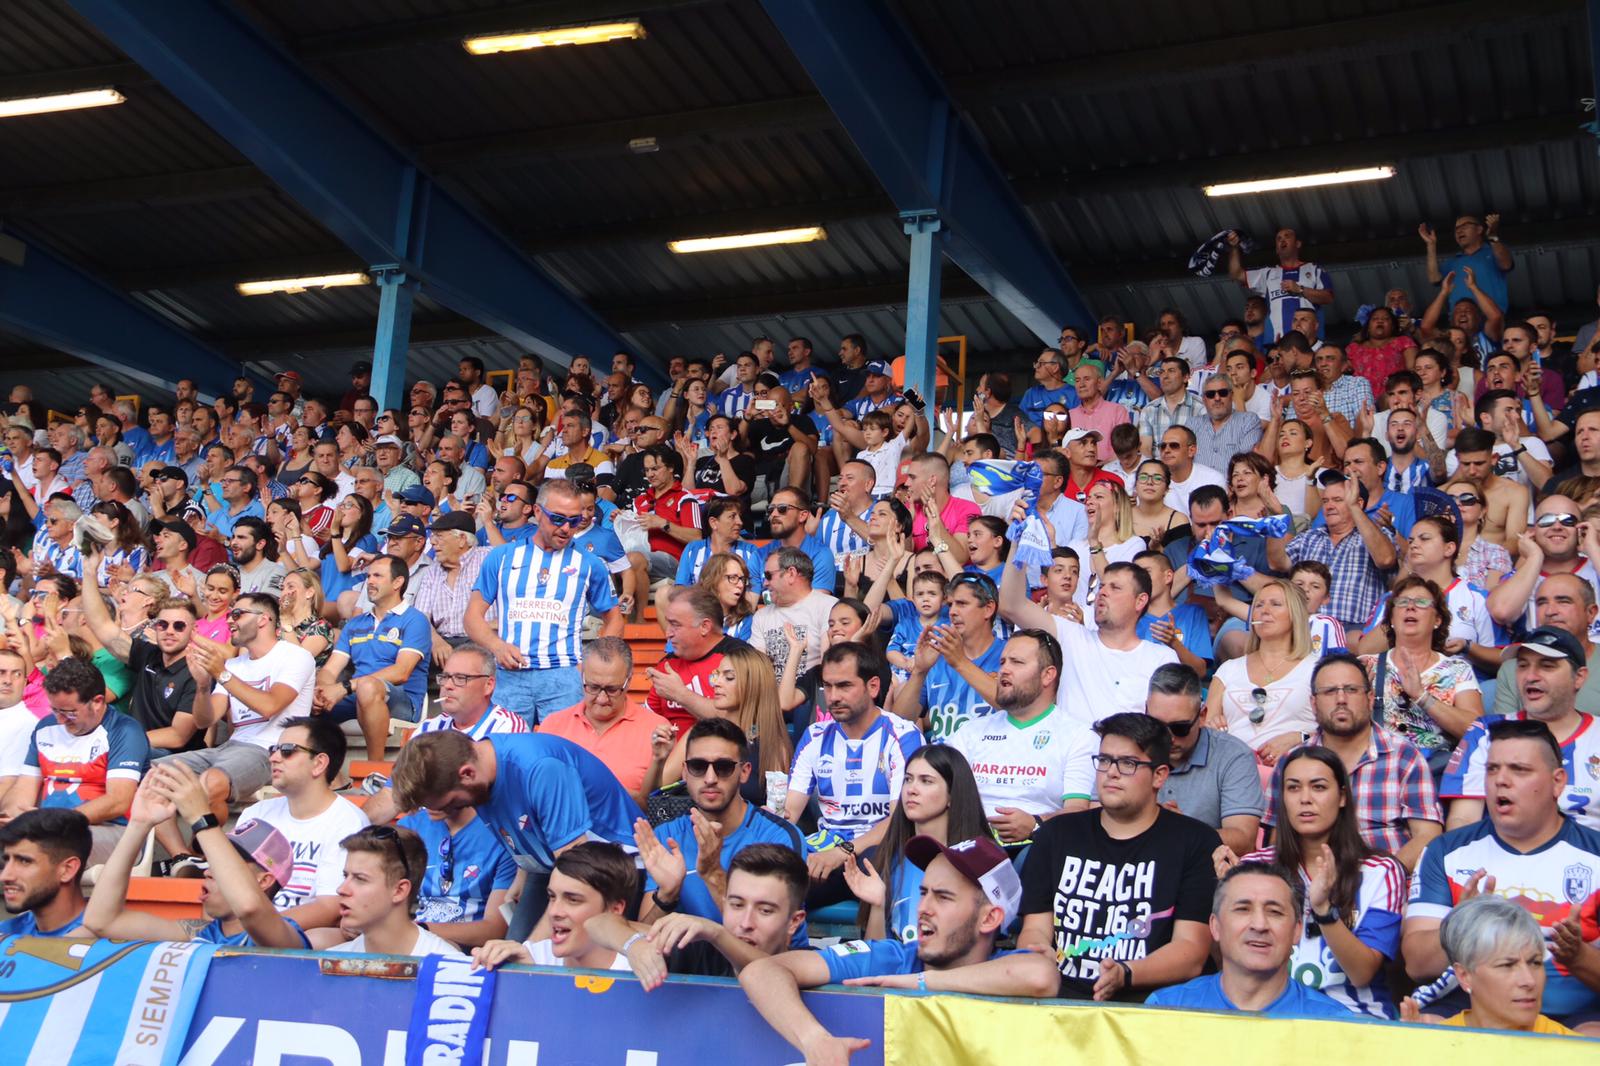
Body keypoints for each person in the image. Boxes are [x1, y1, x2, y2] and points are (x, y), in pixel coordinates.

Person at [740, 835, 1057, 1064]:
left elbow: (1042, 975)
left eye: (943, 897)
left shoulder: (1006, 967)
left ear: (989, 918)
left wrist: (922, 982)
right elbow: (761, 971)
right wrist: (814, 1041)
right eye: (923, 892)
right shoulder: (891, 957)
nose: (923, 908)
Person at [1403, 718, 1600, 1030]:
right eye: (1492, 769)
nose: (1501, 781)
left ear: (1558, 782)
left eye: (1518, 770)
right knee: (1428, 1030)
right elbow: (1417, 965)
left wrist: (1578, 956)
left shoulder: (1595, 855)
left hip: (1577, 1015)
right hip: (1470, 1008)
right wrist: (1458, 924)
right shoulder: (1446, 852)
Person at [1018, 713, 1219, 1001]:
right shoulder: (1056, 835)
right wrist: (1038, 950)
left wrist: (1126, 973)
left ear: (1160, 775)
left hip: (1149, 1007)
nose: (1111, 772)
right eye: (1104, 760)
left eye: (1128, 763)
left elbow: (1191, 952)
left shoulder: (1195, 841)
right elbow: (1035, 928)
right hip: (1059, 1001)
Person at [390, 729, 641, 941]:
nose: (443, 812)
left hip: (612, 867)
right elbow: (522, 823)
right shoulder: (479, 776)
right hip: (549, 865)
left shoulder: (539, 767)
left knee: (536, 956)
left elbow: (576, 874)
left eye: (449, 803)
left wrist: (532, 947)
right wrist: (521, 874)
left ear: (466, 774)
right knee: (516, 952)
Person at [1226, 746, 1408, 1017]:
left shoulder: (1380, 870)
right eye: (1293, 788)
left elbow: (1362, 973)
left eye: (1319, 787)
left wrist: (1324, 912)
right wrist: (1224, 898)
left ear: (1343, 797)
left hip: (1355, 1020)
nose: (1305, 799)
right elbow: (1228, 967)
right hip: (1269, 1018)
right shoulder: (1254, 867)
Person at [149, 592, 316, 865]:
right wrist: (203, 686)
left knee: (210, 782)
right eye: (230, 616)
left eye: (237, 614)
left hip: (271, 750)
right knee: (152, 777)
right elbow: (205, 720)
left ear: (264, 619)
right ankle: (183, 857)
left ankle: (208, 855)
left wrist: (222, 675)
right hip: (229, 748)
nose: (231, 621)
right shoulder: (234, 664)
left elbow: (270, 706)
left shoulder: (296, 656)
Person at [84, 766, 309, 948]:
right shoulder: (198, 933)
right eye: (213, 863)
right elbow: (101, 921)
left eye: (227, 863)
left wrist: (200, 817)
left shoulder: (284, 935)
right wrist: (138, 825)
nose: (209, 871)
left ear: (263, 881)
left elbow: (250, 908)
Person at [465, 478, 623, 726]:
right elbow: (472, 617)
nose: (566, 528)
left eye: (574, 521)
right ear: (537, 512)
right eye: (558, 519)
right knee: (505, 753)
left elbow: (614, 619)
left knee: (562, 755)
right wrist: (496, 646)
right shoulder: (502, 556)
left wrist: (587, 667)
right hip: (509, 675)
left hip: (564, 675)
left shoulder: (590, 563)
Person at [785, 643, 922, 905]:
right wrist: (775, 818)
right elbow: (790, 810)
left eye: (844, 686)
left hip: (878, 848)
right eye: (828, 686)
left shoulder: (902, 735)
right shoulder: (815, 735)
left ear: (872, 687)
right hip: (826, 848)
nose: (833, 696)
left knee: (877, 856)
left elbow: (899, 822)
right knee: (770, 871)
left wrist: (843, 852)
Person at [637, 718, 807, 928]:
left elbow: (774, 947)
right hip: (685, 959)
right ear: (684, 772)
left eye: (723, 767)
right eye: (698, 766)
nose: (710, 778)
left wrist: (713, 873)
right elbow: (644, 940)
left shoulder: (778, 837)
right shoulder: (667, 835)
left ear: (744, 772)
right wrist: (666, 897)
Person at [944, 628, 1097, 847]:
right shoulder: (970, 732)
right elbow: (940, 791)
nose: (1004, 670)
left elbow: (1077, 811)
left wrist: (1036, 824)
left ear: (1048, 675)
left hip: (1035, 848)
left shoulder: (1078, 736)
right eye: (1003, 662)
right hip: (967, 846)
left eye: (1016, 662)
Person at [1145, 862, 1352, 1019]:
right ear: (1215, 926)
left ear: (1297, 930)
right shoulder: (1166, 1010)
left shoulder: (1333, 1023)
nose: (1259, 925)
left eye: (1274, 912)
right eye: (1243, 909)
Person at [1444, 626, 1600, 832]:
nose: (1530, 676)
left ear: (1579, 677)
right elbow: (1462, 822)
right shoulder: (1485, 733)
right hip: (1504, 857)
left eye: (1547, 666)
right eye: (1523, 665)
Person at [586, 843, 810, 985]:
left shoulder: (815, 966)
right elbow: (597, 923)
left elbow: (774, 970)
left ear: (794, 921)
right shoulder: (700, 950)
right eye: (736, 905)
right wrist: (634, 945)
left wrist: (718, 933)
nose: (745, 923)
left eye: (765, 910)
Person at [0, 655, 149, 864]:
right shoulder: (45, 727)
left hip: (112, 831)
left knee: (42, 849)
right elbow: (23, 789)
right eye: (55, 710)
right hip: (48, 829)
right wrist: (16, 816)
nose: (59, 720)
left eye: (69, 712)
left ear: (97, 702)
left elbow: (118, 801)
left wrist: (54, 822)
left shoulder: (125, 731)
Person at [999, 553, 1176, 727]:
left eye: (1115, 588)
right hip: (1068, 754)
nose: (1103, 593)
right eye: (1102, 586)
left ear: (1140, 601)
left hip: (1126, 754)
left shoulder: (1161, 658)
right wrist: (1017, 544)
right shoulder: (1070, 636)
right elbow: (1011, 605)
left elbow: (1166, 725)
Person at [841, 744, 989, 943]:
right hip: (896, 972)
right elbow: (878, 957)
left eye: (926, 781)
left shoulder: (983, 858)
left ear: (952, 795)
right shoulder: (887, 856)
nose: (912, 790)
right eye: (908, 779)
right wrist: (877, 906)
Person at [1404, 894, 1581, 1035]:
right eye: (1507, 965)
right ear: (1465, 976)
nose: (1529, 981)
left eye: (1535, 963)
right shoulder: (1435, 1044)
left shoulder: (1579, 1052)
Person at [1356, 575, 1485, 765]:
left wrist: (1422, 697)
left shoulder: (1458, 669)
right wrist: (1358, 702)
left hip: (1435, 770)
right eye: (1402, 602)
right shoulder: (1366, 665)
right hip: (1378, 768)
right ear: (1391, 619)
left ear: (1437, 620)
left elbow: (1476, 731)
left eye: (1422, 602)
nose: (1410, 607)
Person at [314, 554, 429, 761]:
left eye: (377, 576)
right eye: (368, 576)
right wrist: (322, 692)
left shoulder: (415, 620)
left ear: (398, 582)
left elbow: (401, 672)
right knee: (304, 699)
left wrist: (343, 688)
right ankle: (326, 777)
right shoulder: (355, 624)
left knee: (368, 687)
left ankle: (374, 768)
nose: (370, 581)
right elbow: (330, 670)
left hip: (400, 701)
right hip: (355, 696)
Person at [79, 556, 200, 753]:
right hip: (136, 744)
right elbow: (101, 625)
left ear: (193, 632)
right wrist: (89, 572)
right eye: (163, 624)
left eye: (179, 626)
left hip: (169, 756)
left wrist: (121, 739)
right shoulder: (148, 654)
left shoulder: (196, 671)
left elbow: (178, 736)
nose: (169, 631)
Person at [538, 637, 673, 806]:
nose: (602, 699)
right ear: (582, 676)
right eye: (593, 687)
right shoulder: (553, 725)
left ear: (628, 681)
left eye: (612, 689)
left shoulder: (655, 729)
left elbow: (658, 805)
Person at [472, 842, 644, 974]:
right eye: (552, 897)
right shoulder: (529, 959)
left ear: (615, 909)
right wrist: (525, 979)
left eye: (573, 900)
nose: (554, 911)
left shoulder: (638, 972)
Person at [1147, 664, 1263, 857]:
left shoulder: (1233, 755)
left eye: (1180, 728)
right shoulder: (1128, 748)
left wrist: (1181, 830)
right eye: (1157, 726)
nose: (1168, 738)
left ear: (1202, 716)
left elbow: (1243, 840)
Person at [1205, 578, 1317, 764]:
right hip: (1233, 773)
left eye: (1276, 604)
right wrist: (1212, 727)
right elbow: (1206, 729)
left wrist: (1299, 737)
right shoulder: (1229, 670)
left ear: (1295, 614)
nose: (1264, 611)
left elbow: (1337, 730)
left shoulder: (1316, 669)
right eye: (1258, 605)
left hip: (1294, 771)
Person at [894, 573, 1004, 742]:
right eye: (951, 604)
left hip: (988, 764)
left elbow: (1015, 706)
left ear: (988, 608)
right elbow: (900, 721)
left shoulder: (1009, 654)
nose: (952, 612)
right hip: (940, 763)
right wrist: (919, 672)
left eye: (962, 604)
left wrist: (959, 662)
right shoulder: (936, 657)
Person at [327, 825, 466, 958]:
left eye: (360, 879)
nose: (341, 889)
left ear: (399, 891)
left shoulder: (448, 967)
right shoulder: (330, 962)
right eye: (345, 876)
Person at [1284, 474, 1398, 630]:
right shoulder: (1309, 537)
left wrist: (1353, 507)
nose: (1329, 506)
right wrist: (1275, 514)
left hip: (1355, 631)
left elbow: (1385, 559)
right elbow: (1277, 563)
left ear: (1359, 503)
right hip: (1305, 626)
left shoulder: (1376, 535)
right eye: (1325, 501)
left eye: (1337, 500)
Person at [1227, 227, 1333, 342]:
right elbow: (1235, 273)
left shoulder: (1314, 269)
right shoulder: (1267, 274)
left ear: (1298, 244)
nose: (1282, 240)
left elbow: (1328, 297)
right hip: (1277, 345)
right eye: (1279, 239)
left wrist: (1301, 290)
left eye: (1287, 236)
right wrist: (1234, 247)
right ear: (1277, 249)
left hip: (1307, 343)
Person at [750, 547, 839, 681]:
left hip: (813, 696)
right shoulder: (761, 616)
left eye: (769, 576)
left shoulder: (829, 606)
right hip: (773, 698)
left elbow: (829, 665)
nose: (765, 583)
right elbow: (758, 671)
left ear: (791, 573)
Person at [0, 808, 90, 937]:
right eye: (6, 860)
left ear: (67, 870)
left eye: (24, 861)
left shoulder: (107, 940)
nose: (4, 876)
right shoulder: (5, 934)